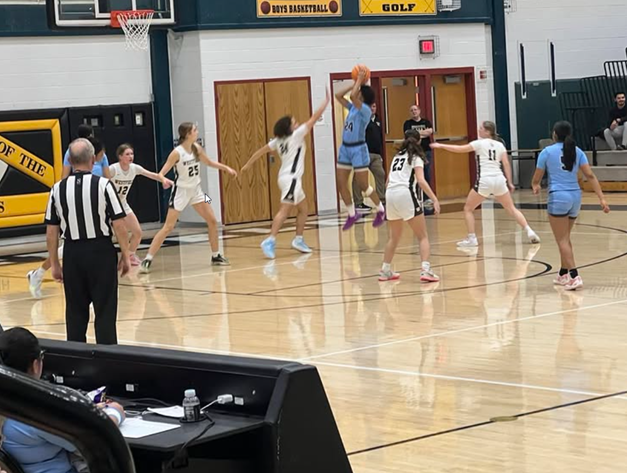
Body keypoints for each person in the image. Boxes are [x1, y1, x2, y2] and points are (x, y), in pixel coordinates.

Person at [0, 327, 125, 473]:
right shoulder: (36, 410)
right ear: (35, 365)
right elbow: (91, 438)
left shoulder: (8, 402)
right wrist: (114, 413)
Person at [45, 138, 131, 345]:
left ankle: (75, 366)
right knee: (105, 312)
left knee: (75, 313)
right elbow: (119, 225)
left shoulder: (57, 189)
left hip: (73, 254)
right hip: (100, 251)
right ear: (93, 160)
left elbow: (51, 230)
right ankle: (108, 363)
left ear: (71, 161)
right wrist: (126, 255)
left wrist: (55, 263)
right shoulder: (103, 184)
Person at [241, 91, 331, 259]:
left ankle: (298, 239)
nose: (297, 123)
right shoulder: (296, 136)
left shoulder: (278, 141)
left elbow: (260, 152)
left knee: (304, 209)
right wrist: (326, 102)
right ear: (289, 128)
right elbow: (313, 118)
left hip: (286, 178)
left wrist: (248, 164)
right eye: (294, 122)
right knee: (284, 211)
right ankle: (270, 239)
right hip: (291, 180)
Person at [140, 122, 237, 273]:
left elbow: (209, 162)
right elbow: (161, 173)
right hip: (181, 192)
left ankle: (216, 255)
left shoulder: (196, 148)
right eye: (194, 130)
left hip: (197, 191)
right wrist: (163, 179)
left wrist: (226, 168)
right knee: (168, 227)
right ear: (187, 134)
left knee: (212, 220)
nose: (197, 132)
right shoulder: (177, 153)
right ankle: (147, 259)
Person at [431, 121, 541, 248]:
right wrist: (510, 182)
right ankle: (529, 231)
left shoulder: (479, 144)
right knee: (511, 208)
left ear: (488, 132)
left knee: (468, 209)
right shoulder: (500, 145)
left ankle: (472, 238)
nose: (479, 129)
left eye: (481, 128)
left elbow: (460, 149)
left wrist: (440, 145)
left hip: (485, 180)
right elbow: (506, 164)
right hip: (499, 180)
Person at [532, 121, 610, 291]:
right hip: (575, 197)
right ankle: (563, 274)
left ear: (554, 134)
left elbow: (537, 177)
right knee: (565, 238)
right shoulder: (578, 151)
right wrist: (602, 198)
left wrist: (535, 185)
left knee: (561, 240)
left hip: (558, 197)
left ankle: (574, 276)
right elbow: (589, 175)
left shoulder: (546, 152)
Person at [27, 137, 107, 299]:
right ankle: (39, 273)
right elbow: (64, 179)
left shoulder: (102, 160)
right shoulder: (71, 157)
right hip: (75, 204)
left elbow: (107, 179)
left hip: (99, 206)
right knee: (69, 248)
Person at [379, 132, 441, 282]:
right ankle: (425, 270)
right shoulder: (416, 157)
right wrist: (434, 198)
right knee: (423, 236)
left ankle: (385, 270)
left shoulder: (396, 157)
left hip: (390, 195)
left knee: (394, 237)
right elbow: (420, 180)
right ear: (419, 141)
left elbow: (387, 183)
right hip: (404, 194)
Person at [335, 68, 386, 231]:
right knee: (341, 184)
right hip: (345, 148)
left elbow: (351, 96)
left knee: (364, 185)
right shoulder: (352, 108)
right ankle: (352, 214)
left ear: (363, 98)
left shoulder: (364, 110)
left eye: (358, 93)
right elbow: (338, 96)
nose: (356, 94)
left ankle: (380, 210)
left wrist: (359, 81)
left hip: (358, 149)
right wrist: (353, 83)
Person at [109, 144, 174, 266]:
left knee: (137, 232)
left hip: (122, 204)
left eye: (132, 154)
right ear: (120, 156)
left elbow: (151, 175)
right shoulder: (113, 169)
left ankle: (130, 255)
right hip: (108, 206)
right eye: (127, 154)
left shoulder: (134, 168)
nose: (130, 156)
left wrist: (165, 180)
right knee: (110, 235)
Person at [352, 102, 386, 213]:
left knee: (380, 174)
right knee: (358, 178)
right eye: (370, 106)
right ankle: (358, 202)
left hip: (375, 155)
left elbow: (380, 138)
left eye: (374, 106)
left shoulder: (378, 121)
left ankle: (382, 199)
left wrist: (381, 154)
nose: (373, 108)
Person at [403, 105, 434, 186]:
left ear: (419, 111)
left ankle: (427, 196)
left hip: (426, 151)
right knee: (413, 173)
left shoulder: (426, 122)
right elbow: (408, 134)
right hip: (412, 152)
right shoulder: (407, 123)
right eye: (412, 110)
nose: (414, 112)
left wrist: (415, 134)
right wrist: (423, 134)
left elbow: (430, 131)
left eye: (415, 110)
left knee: (426, 173)